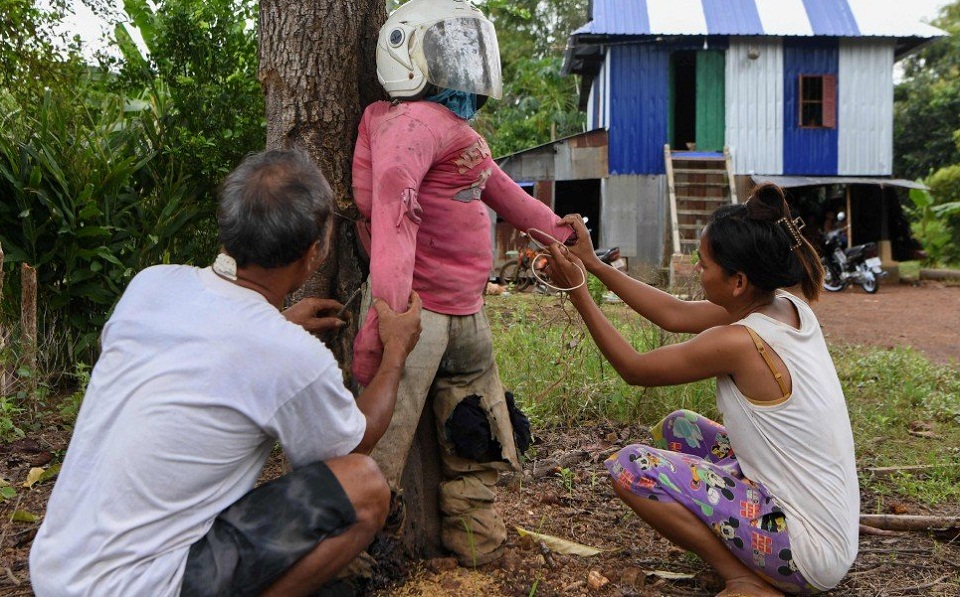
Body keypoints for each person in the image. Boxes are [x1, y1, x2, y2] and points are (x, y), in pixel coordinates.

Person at [29, 149, 422, 596]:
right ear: (313, 253)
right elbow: (358, 440)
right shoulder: (287, 354)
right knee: (365, 486)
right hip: (144, 587)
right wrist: (395, 351)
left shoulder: (151, 285)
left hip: (56, 574)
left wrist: (279, 326)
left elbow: (196, 349)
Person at [544, 183, 859, 596]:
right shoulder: (781, 305)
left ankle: (743, 577)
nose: (696, 271)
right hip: (827, 529)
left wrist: (577, 290)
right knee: (679, 429)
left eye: (703, 264)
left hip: (806, 554)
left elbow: (634, 369)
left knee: (632, 469)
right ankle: (750, 549)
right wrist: (595, 265)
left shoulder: (741, 342)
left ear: (738, 281)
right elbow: (674, 314)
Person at [350, 0, 572, 565]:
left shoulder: (451, 127)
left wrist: (561, 233)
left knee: (478, 434)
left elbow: (504, 194)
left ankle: (476, 545)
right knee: (384, 444)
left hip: (466, 314)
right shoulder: (410, 124)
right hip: (417, 319)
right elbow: (393, 221)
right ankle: (357, 561)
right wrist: (385, 322)